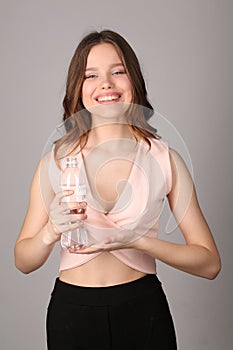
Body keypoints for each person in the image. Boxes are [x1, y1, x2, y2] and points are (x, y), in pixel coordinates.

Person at [14, 29, 221, 350]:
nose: (106, 83)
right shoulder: (55, 162)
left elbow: (209, 264)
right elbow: (23, 261)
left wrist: (138, 241)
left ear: (133, 81)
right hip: (72, 314)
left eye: (118, 71)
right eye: (91, 75)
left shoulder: (165, 159)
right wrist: (50, 231)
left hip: (143, 310)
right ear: (77, 90)